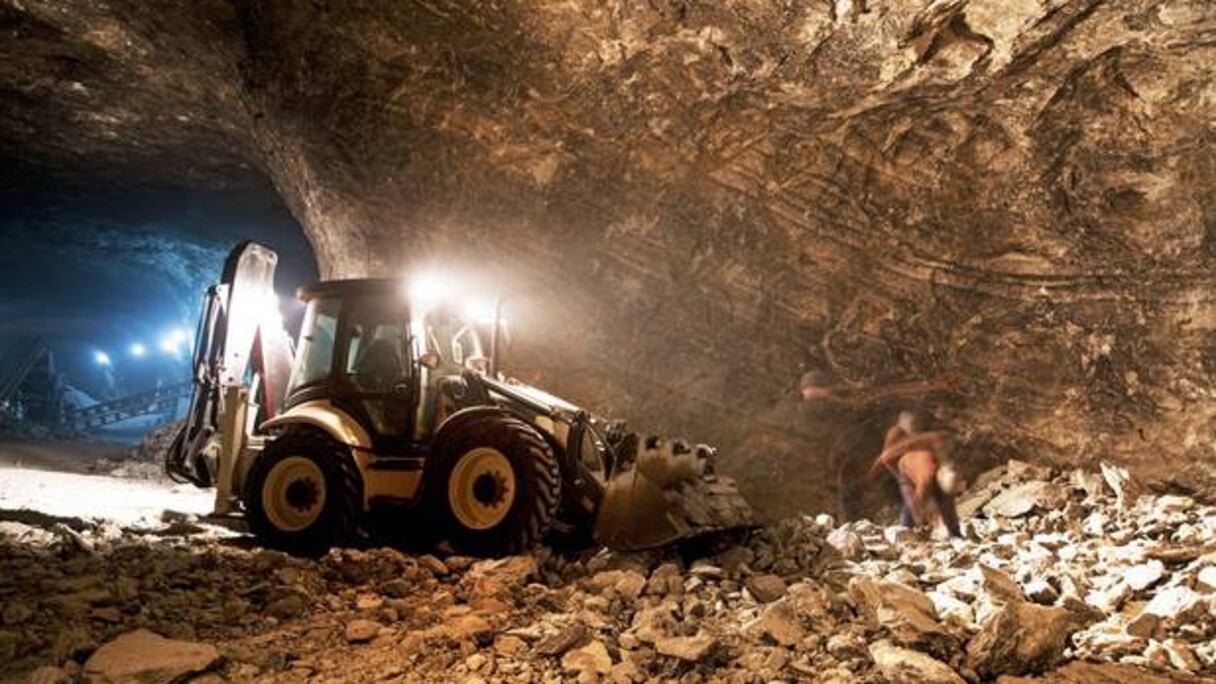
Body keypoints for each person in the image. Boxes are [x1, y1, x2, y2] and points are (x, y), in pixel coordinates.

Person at [868, 411, 962, 537]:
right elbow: (918, 501)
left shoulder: (945, 465)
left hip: (916, 462)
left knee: (943, 501)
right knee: (911, 503)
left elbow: (948, 503)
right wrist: (923, 522)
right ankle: (908, 531)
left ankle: (953, 533)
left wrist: (954, 530)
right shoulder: (926, 475)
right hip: (904, 468)